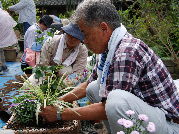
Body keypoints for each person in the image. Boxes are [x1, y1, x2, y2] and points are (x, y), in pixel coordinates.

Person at [38, 0, 179, 134]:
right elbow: (88, 84)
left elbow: (109, 108)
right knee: (94, 88)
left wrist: (59, 114)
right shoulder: (108, 50)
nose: (84, 41)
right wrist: (58, 101)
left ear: (103, 28)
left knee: (115, 101)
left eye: (86, 34)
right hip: (149, 117)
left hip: (168, 124)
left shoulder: (126, 52)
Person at [27, 22, 88, 86]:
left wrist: (60, 88)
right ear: (65, 33)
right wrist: (44, 86)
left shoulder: (82, 50)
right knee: (28, 85)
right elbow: (41, 66)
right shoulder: (51, 42)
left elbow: (77, 74)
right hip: (47, 73)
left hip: (65, 76)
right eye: (71, 35)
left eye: (76, 37)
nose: (73, 39)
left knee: (67, 70)